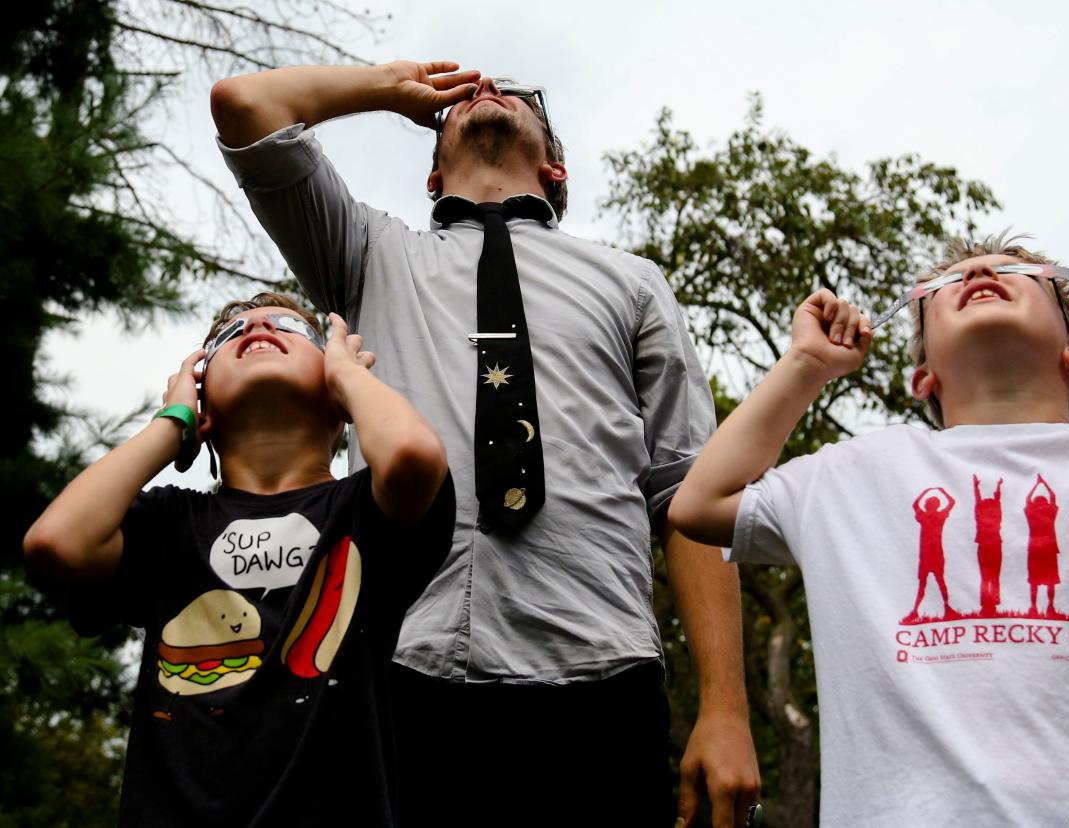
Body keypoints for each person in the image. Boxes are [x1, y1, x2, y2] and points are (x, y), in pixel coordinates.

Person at [209, 62, 759, 826]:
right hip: (402, 667)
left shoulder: (633, 283)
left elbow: (692, 493)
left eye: (519, 95)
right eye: (461, 98)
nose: (486, 92)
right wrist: (390, 90)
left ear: (554, 164)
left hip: (601, 670)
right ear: (432, 175)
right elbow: (245, 107)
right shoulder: (367, 255)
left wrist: (725, 711)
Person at [668, 232, 1069, 824]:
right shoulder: (853, 475)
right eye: (945, 284)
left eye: (1018, 273)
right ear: (923, 378)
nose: (975, 276)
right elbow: (699, 504)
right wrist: (807, 366)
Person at [24, 293, 454, 825]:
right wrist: (170, 423)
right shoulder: (167, 525)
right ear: (205, 407)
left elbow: (414, 455)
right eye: (230, 337)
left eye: (289, 327)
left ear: (335, 401)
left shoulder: (366, 510)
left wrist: (349, 378)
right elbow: (57, 542)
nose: (256, 329)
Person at [903, 486, 957, 622]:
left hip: (931, 555)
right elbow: (951, 502)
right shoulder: (936, 516)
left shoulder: (928, 517)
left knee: (934, 583)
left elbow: (915, 504)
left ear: (932, 505)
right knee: (933, 583)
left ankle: (945, 608)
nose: (926, 505)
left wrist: (928, 492)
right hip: (930, 555)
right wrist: (938, 491)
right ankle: (917, 611)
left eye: (927, 504)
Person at [1024, 473, 1061, 615]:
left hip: (1035, 549)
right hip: (1050, 549)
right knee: (1050, 581)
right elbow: (1053, 498)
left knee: (1034, 581)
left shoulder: (1031, 513)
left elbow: (1028, 500)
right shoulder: (1050, 513)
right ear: (1045, 503)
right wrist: (1044, 484)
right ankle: (1050, 607)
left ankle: (1033, 607)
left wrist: (1036, 485)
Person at [973, 474, 1003, 615]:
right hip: (992, 546)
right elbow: (996, 501)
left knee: (987, 577)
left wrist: (976, 488)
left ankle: (989, 604)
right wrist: (998, 487)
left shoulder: (983, 516)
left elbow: (980, 502)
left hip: (988, 546)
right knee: (991, 577)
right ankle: (990, 604)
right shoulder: (994, 516)